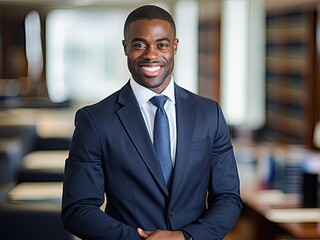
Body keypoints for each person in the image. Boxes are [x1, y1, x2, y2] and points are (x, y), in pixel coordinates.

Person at [61, 5, 242, 240]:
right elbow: (78, 210)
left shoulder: (209, 114)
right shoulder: (95, 120)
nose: (151, 54)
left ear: (175, 46)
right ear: (125, 47)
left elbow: (228, 198)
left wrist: (184, 237)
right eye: (139, 45)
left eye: (162, 44)